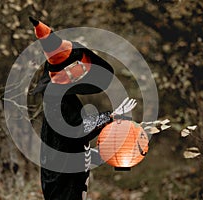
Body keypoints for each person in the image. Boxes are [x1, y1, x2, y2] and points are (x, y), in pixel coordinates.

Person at [30, 17, 136, 200]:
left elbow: (72, 143)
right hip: (62, 184)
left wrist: (103, 153)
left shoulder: (62, 97)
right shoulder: (56, 99)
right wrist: (111, 116)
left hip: (70, 178)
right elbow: (78, 130)